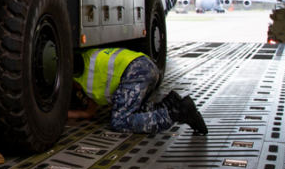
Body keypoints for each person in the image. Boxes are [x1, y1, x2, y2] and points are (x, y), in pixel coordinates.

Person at [67, 47, 207, 135]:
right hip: (145, 66)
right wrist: (64, 115)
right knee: (133, 111)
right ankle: (169, 104)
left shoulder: (75, 70)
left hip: (135, 71)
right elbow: (89, 113)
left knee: (120, 121)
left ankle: (176, 113)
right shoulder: (81, 64)